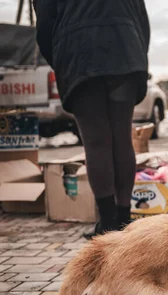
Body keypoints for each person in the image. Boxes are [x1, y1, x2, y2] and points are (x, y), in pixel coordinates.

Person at [34, 0, 150, 239]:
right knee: (121, 137)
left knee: (96, 142)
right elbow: (142, 19)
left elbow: (44, 27)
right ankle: (125, 218)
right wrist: (135, 50)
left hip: (79, 53)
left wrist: (62, 58)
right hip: (125, 50)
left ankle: (108, 223)